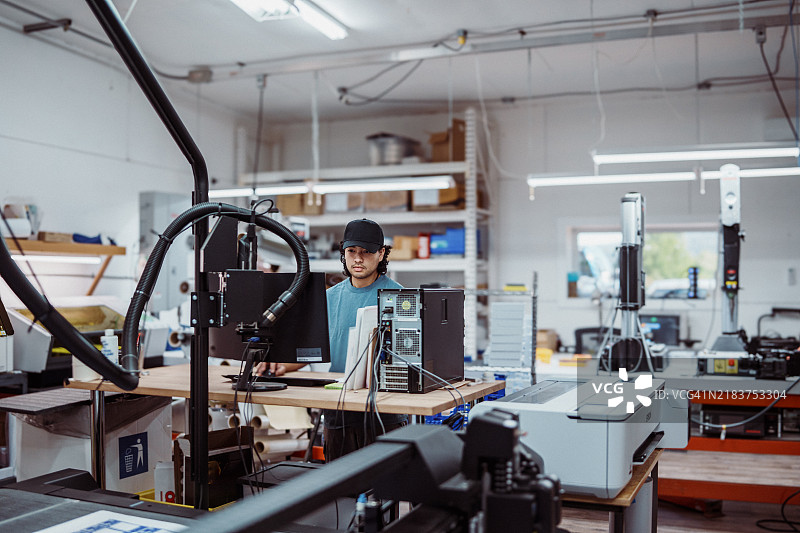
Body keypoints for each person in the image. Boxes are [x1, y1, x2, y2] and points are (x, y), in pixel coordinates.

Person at [259, 218, 405, 461]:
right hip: (339, 410)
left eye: (366, 252)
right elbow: (311, 350)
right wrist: (281, 364)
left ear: (381, 254)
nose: (358, 259)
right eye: (352, 251)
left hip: (384, 411)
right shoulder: (328, 298)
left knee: (386, 489)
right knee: (340, 490)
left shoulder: (399, 297)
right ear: (344, 253)